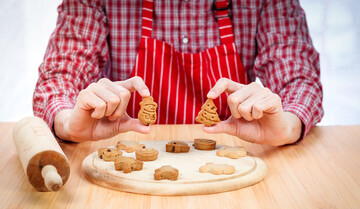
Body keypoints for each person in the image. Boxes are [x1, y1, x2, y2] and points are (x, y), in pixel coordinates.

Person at [33, 0, 323, 146]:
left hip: (231, 170)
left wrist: (287, 125)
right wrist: (68, 123)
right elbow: (59, 77)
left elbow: (299, 78)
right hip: (128, 167)